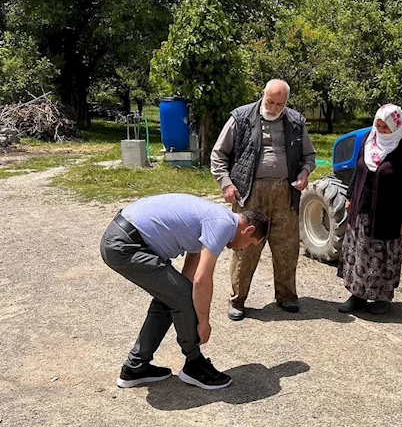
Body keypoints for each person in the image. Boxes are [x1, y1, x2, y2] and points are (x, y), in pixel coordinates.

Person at [100, 193, 269, 390]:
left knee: (173, 295)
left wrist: (182, 300)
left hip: (121, 239)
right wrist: (203, 323)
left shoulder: (214, 218)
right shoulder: (223, 225)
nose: (242, 250)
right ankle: (194, 364)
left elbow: (189, 274)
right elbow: (202, 279)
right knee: (180, 295)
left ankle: (135, 367)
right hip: (127, 245)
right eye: (249, 244)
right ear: (248, 230)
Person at [210, 79, 316, 320]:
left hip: (285, 194)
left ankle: (287, 296)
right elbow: (218, 155)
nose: (274, 107)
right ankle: (238, 300)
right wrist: (226, 184)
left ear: (286, 102)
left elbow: (309, 155)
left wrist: (305, 172)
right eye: (270, 101)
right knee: (245, 250)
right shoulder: (241, 117)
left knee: (287, 247)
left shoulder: (296, 121)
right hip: (250, 193)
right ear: (263, 95)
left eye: (280, 103)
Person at [338, 104, 402, 314]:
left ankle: (382, 297)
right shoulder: (369, 139)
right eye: (379, 125)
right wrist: (350, 197)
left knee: (383, 255)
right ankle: (357, 295)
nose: (382, 131)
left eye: (386, 127)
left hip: (389, 212)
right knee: (359, 252)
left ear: (397, 126)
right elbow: (358, 170)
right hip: (362, 209)